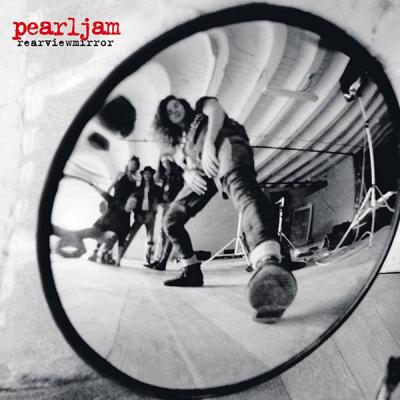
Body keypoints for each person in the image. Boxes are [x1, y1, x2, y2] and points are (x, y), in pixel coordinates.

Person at [154, 95, 297, 323]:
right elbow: (185, 164)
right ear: (167, 120)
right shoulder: (183, 142)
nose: (175, 111)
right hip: (204, 171)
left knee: (241, 189)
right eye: (169, 112)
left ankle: (268, 262)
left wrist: (209, 143)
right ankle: (191, 271)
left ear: (183, 104)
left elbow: (216, 110)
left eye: (176, 106)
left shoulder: (200, 107)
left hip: (224, 143)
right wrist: (188, 173)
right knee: (170, 219)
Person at [53, 189, 138, 265]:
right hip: (97, 229)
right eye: (131, 202)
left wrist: (119, 259)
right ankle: (72, 247)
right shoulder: (116, 204)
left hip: (106, 236)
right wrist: (94, 186)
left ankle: (105, 254)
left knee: (112, 235)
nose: (131, 204)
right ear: (127, 200)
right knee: (77, 234)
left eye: (134, 204)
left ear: (135, 207)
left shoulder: (127, 224)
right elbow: (106, 195)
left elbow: (121, 243)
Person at [88, 155, 140, 263]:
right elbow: (110, 187)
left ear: (136, 167)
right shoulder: (120, 174)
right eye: (132, 163)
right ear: (128, 163)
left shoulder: (134, 180)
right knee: (105, 227)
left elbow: (133, 196)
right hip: (114, 205)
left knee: (120, 231)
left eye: (135, 164)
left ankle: (109, 254)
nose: (133, 165)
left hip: (125, 209)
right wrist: (105, 200)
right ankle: (95, 253)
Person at [145, 154, 184, 270]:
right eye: (162, 162)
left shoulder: (179, 173)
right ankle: (158, 260)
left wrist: (174, 203)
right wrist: (162, 201)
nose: (164, 164)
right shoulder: (166, 176)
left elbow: (180, 190)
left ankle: (163, 261)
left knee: (170, 232)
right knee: (163, 233)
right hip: (166, 205)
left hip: (174, 205)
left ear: (171, 161)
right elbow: (164, 190)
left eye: (166, 161)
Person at [120, 166, 162, 265]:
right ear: (142, 175)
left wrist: (152, 214)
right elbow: (134, 203)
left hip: (150, 216)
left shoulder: (157, 188)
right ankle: (119, 257)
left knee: (150, 239)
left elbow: (157, 203)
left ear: (152, 175)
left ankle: (148, 260)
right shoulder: (138, 188)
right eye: (145, 173)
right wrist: (137, 214)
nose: (147, 175)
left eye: (149, 173)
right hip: (139, 215)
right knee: (129, 237)